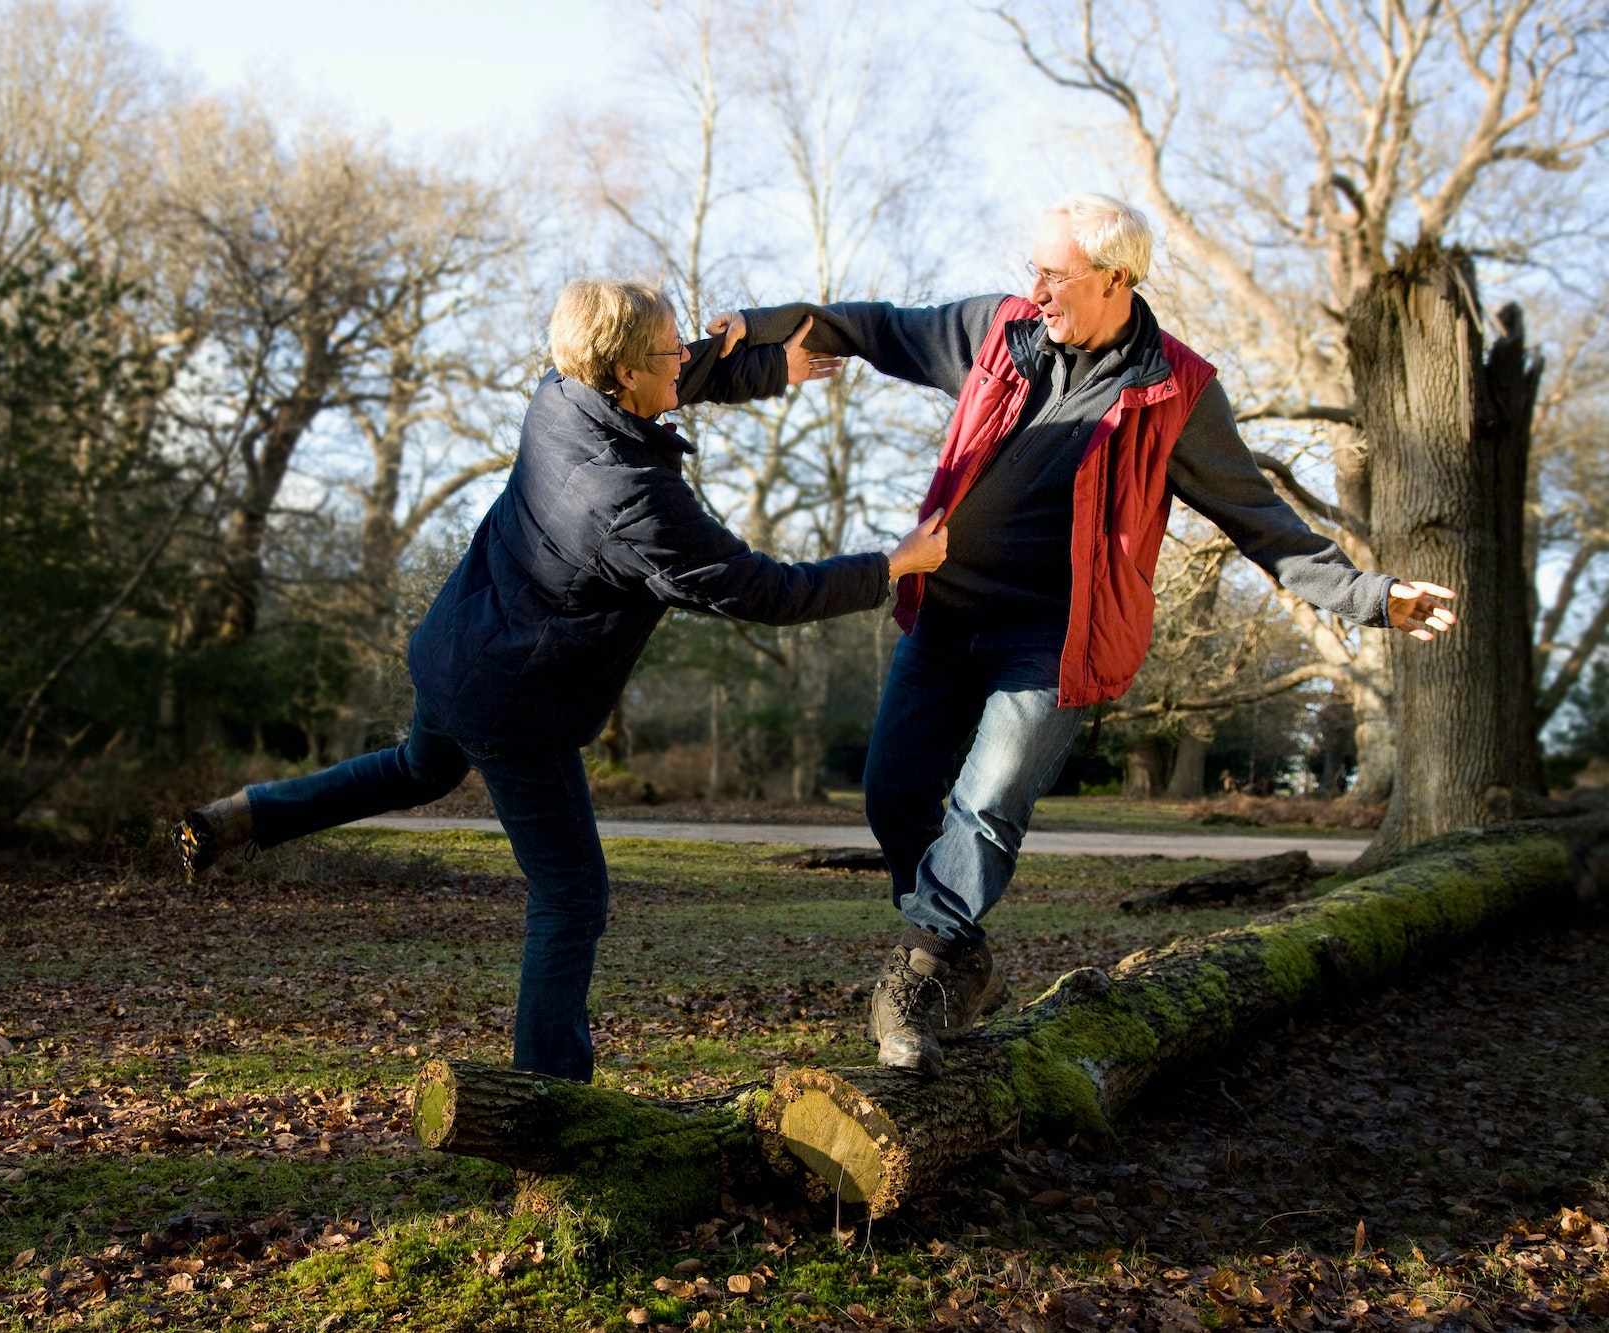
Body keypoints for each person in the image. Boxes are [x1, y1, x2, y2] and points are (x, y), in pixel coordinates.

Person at [706, 193, 1459, 1077]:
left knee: (987, 802)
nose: (1037, 289)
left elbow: (1263, 523)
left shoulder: (1178, 391)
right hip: (946, 615)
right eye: (1034, 269)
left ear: (1117, 277)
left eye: (1055, 275)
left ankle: (920, 973)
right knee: (891, 793)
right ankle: (959, 950)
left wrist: (1373, 594)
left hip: (1052, 642)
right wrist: (759, 326)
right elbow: (872, 326)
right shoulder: (1000, 331)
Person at [173, 277, 953, 1083]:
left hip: (457, 649)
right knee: (572, 896)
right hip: (518, 703)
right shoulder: (632, 501)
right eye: (666, 349)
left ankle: (246, 815)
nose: (683, 357)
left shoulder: (561, 396)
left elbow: (668, 380)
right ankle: (547, 1105)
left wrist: (765, 368)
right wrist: (890, 564)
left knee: (416, 769)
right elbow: (759, 588)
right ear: (618, 372)